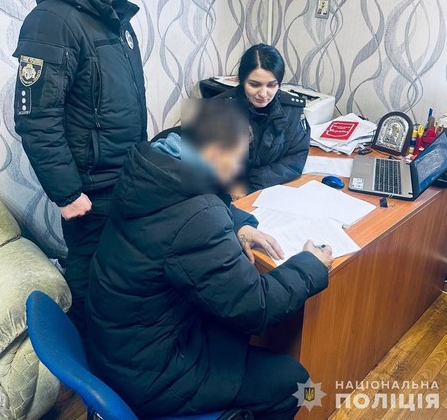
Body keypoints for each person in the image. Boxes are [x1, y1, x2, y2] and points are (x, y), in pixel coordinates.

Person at [87, 100, 333, 420]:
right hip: (150, 374)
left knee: (233, 328)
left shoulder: (155, 165)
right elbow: (256, 308)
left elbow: (186, 214)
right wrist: (311, 264)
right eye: (237, 161)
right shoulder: (197, 216)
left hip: (118, 342)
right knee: (298, 383)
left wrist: (238, 225)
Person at [13, 0, 147, 335]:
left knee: (122, 281)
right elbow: (36, 118)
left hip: (126, 180)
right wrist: (68, 193)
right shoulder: (52, 21)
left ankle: (117, 353)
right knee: (90, 283)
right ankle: (85, 365)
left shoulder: (115, 18)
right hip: (91, 193)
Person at [218, 44, 310, 197]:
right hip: (231, 198)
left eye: (272, 85)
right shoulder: (219, 108)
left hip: (274, 191)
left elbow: (296, 157)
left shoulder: (292, 109)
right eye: (254, 85)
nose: (263, 93)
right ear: (241, 80)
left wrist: (258, 181)